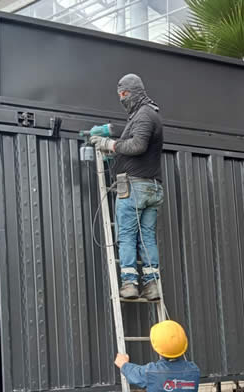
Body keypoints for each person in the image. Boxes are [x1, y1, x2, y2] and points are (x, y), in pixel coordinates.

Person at [89, 73, 164, 301]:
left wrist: (109, 144)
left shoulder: (143, 115)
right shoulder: (149, 114)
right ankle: (152, 285)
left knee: (127, 235)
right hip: (152, 188)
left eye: (124, 94)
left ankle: (129, 284)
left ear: (135, 91)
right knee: (147, 237)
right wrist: (115, 148)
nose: (122, 99)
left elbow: (138, 145)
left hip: (135, 187)